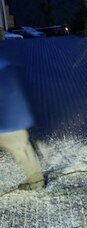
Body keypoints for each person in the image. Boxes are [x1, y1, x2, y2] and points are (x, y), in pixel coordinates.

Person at [0, 57, 45, 190]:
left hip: (8, 123)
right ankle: (36, 182)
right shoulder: (6, 65)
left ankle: (36, 183)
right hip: (16, 120)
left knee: (22, 151)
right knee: (24, 150)